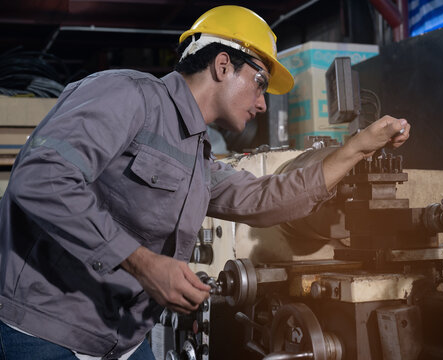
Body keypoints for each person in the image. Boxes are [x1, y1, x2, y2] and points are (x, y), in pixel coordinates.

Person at [0, 5, 410, 360]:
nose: (263, 102)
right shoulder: (126, 95)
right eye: (260, 83)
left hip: (120, 341)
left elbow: (264, 198)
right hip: (46, 332)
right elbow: (41, 180)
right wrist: (144, 263)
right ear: (222, 65)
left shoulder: (198, 156)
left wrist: (358, 148)